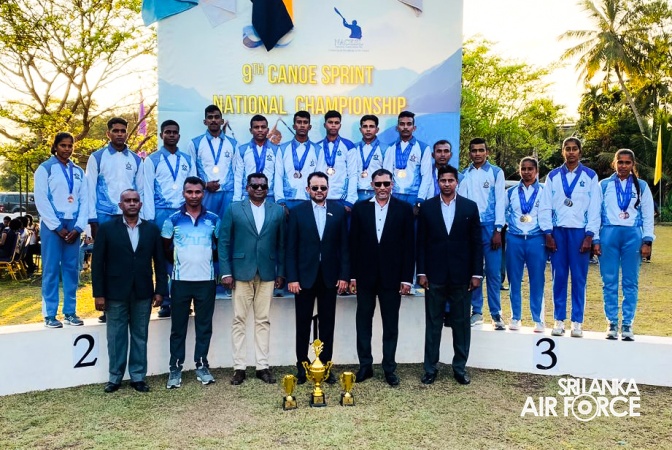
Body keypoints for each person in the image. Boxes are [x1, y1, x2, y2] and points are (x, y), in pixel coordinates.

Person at [92, 189, 169, 393]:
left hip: (143, 292)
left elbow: (160, 263)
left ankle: (138, 377)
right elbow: (97, 264)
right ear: (121, 205)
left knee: (140, 336)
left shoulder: (151, 230)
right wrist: (99, 294)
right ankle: (115, 378)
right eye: (128, 201)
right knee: (115, 337)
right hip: (114, 293)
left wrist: (160, 290)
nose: (132, 203)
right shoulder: (107, 229)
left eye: (135, 200)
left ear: (140, 204)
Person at [417, 165, 482, 385]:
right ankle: (430, 368)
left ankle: (460, 368)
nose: (447, 184)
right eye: (443, 180)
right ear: (438, 182)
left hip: (462, 275)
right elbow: (421, 243)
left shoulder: (470, 207)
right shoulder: (427, 207)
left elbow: (476, 243)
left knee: (461, 323)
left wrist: (476, 274)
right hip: (434, 275)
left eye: (450, 180)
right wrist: (422, 272)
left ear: (457, 182)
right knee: (433, 323)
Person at [349, 169, 414, 386]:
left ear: (392, 184)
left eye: (386, 183)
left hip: (392, 278)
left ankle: (389, 369)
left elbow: (409, 246)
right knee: (363, 323)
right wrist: (352, 276)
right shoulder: (360, 208)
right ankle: (365, 366)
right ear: (372, 186)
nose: (382, 188)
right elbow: (353, 244)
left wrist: (406, 279)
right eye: (378, 184)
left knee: (391, 325)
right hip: (365, 277)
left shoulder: (404, 209)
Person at [219, 173, 285, 385]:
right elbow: (224, 242)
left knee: (263, 320)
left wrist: (281, 272)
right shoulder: (234, 209)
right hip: (240, 271)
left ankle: (262, 366)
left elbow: (281, 244)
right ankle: (239, 368)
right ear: (247, 187)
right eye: (255, 186)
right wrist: (226, 272)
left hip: (267, 272)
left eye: (263, 186)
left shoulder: (277, 210)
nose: (259, 189)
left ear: (268, 189)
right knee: (239, 319)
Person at [286, 172, 349, 385]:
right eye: (315, 188)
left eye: (323, 188)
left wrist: (344, 275)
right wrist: (292, 278)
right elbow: (291, 248)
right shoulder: (297, 212)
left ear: (328, 189)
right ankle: (302, 367)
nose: (319, 191)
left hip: (330, 277)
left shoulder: (338, 211)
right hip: (304, 278)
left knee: (327, 324)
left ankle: (326, 367)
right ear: (308, 189)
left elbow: (344, 247)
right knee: (302, 323)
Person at [538, 137, 601, 338]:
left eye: (574, 149)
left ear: (580, 152)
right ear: (562, 151)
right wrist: (548, 233)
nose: (571, 152)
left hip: (580, 232)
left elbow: (595, 208)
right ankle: (558, 320)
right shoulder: (553, 176)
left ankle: (577, 322)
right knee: (559, 277)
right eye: (568, 149)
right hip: (558, 232)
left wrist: (590, 235)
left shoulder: (590, 176)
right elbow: (545, 205)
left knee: (579, 278)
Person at [162, 176, 221, 388]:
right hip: (180, 282)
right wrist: (179, 266)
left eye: (197, 192)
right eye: (190, 192)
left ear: (203, 193)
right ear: (183, 193)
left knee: (204, 327)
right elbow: (165, 249)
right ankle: (175, 368)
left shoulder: (213, 219)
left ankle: (202, 366)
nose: (194, 196)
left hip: (206, 281)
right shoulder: (172, 220)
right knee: (178, 327)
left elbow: (219, 247)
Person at [86, 117, 144, 324]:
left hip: (129, 216)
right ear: (108, 133)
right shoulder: (97, 157)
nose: (120, 134)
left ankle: (128, 303)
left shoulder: (136, 159)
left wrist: (141, 217)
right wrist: (92, 220)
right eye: (116, 130)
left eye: (123, 131)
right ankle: (106, 306)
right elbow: (89, 189)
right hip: (104, 215)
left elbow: (141, 190)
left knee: (129, 259)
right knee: (104, 261)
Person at [593, 149, 655, 341]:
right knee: (609, 281)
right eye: (620, 162)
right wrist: (595, 239)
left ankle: (627, 323)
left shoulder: (641, 186)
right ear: (614, 163)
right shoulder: (604, 185)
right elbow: (594, 213)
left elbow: (648, 215)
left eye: (627, 163)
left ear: (633, 165)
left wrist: (647, 241)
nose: (623, 166)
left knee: (630, 281)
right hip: (609, 234)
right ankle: (612, 322)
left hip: (632, 235)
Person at [34, 132, 89, 328]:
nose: (67, 149)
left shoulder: (78, 171)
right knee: (50, 269)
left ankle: (70, 312)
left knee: (72, 270)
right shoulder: (45, 169)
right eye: (63, 145)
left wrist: (79, 226)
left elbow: (85, 200)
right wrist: (57, 226)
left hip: (73, 225)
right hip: (52, 225)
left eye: (70, 145)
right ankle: (50, 314)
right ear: (55, 146)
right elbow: (41, 199)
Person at [143, 120, 196, 318]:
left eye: (175, 132)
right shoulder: (152, 160)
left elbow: (193, 187)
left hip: (182, 212)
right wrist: (149, 218)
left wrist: (192, 211)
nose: (171, 135)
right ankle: (165, 301)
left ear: (179, 136)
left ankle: (181, 301)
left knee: (182, 257)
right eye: (168, 132)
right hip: (160, 212)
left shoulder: (187, 159)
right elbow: (147, 189)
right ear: (161, 135)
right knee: (162, 256)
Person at [458, 138, 506, 330]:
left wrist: (498, 229)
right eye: (474, 150)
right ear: (469, 153)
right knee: (474, 272)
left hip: (491, 228)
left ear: (487, 152)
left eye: (481, 150)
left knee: (493, 273)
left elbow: (501, 201)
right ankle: (476, 312)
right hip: (471, 228)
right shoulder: (464, 175)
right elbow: (461, 203)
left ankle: (496, 314)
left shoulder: (496, 172)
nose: (477, 154)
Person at [504, 157, 547, 332]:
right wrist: (509, 224)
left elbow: (550, 213)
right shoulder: (511, 192)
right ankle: (515, 317)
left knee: (537, 280)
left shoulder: (545, 191)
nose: (527, 172)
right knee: (514, 279)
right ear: (519, 170)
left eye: (530, 169)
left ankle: (538, 319)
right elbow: (502, 211)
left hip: (536, 239)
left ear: (536, 171)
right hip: (515, 239)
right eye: (524, 168)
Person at [187, 105, 237, 219]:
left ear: (222, 121)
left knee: (226, 226)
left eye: (216, 117)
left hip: (227, 193)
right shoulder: (195, 143)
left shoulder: (233, 144)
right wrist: (204, 185)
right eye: (210, 117)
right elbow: (192, 172)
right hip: (205, 193)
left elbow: (237, 171)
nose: (213, 120)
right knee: (206, 225)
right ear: (205, 122)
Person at [383, 111, 432, 215]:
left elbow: (426, 176)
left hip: (413, 196)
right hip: (394, 195)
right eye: (402, 124)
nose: (405, 127)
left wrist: (420, 199)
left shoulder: (423, 148)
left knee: (412, 225)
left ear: (414, 128)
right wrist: (388, 196)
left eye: (409, 124)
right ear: (397, 128)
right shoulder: (390, 148)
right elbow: (386, 175)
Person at [276, 111, 323, 211]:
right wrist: (281, 202)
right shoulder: (283, 149)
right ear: (294, 126)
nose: (302, 125)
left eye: (305, 122)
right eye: (299, 122)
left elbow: (319, 179)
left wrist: (317, 201)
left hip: (309, 200)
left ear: (309, 127)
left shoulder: (318, 150)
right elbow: (278, 176)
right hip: (287, 200)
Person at [232, 115, 284, 203]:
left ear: (267, 130)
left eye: (263, 127)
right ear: (251, 130)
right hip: (248, 196)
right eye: (256, 127)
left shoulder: (276, 150)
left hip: (269, 195)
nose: (260, 130)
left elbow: (278, 176)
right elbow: (238, 176)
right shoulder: (242, 150)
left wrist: (279, 199)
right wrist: (236, 199)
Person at [317, 110, 358, 211]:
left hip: (341, 200)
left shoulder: (348, 146)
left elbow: (353, 174)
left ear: (340, 125)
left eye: (336, 123)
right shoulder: (317, 147)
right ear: (325, 125)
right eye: (330, 122)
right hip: (320, 198)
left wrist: (350, 201)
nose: (333, 125)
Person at [354, 115, 386, 201]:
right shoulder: (353, 148)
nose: (368, 129)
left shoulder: (385, 149)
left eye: (371, 126)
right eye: (365, 126)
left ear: (377, 129)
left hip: (376, 193)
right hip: (356, 193)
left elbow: (387, 174)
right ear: (360, 129)